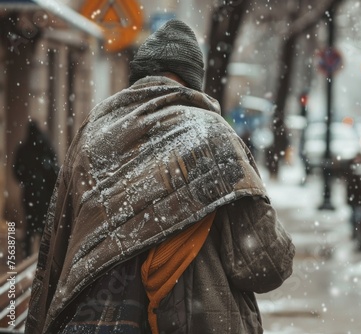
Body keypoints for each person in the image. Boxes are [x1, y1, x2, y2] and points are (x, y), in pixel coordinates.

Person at [26, 19, 295, 334]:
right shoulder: (212, 137)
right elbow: (266, 266)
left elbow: (54, 253)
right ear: (193, 82)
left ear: (137, 78)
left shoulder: (90, 138)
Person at [13, 120, 59, 256]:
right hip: (42, 193)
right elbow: (55, 170)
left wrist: (27, 181)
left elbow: (16, 171)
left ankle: (29, 255)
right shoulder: (45, 146)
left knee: (30, 225)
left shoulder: (25, 147)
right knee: (42, 227)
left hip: (31, 192)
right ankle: (40, 258)